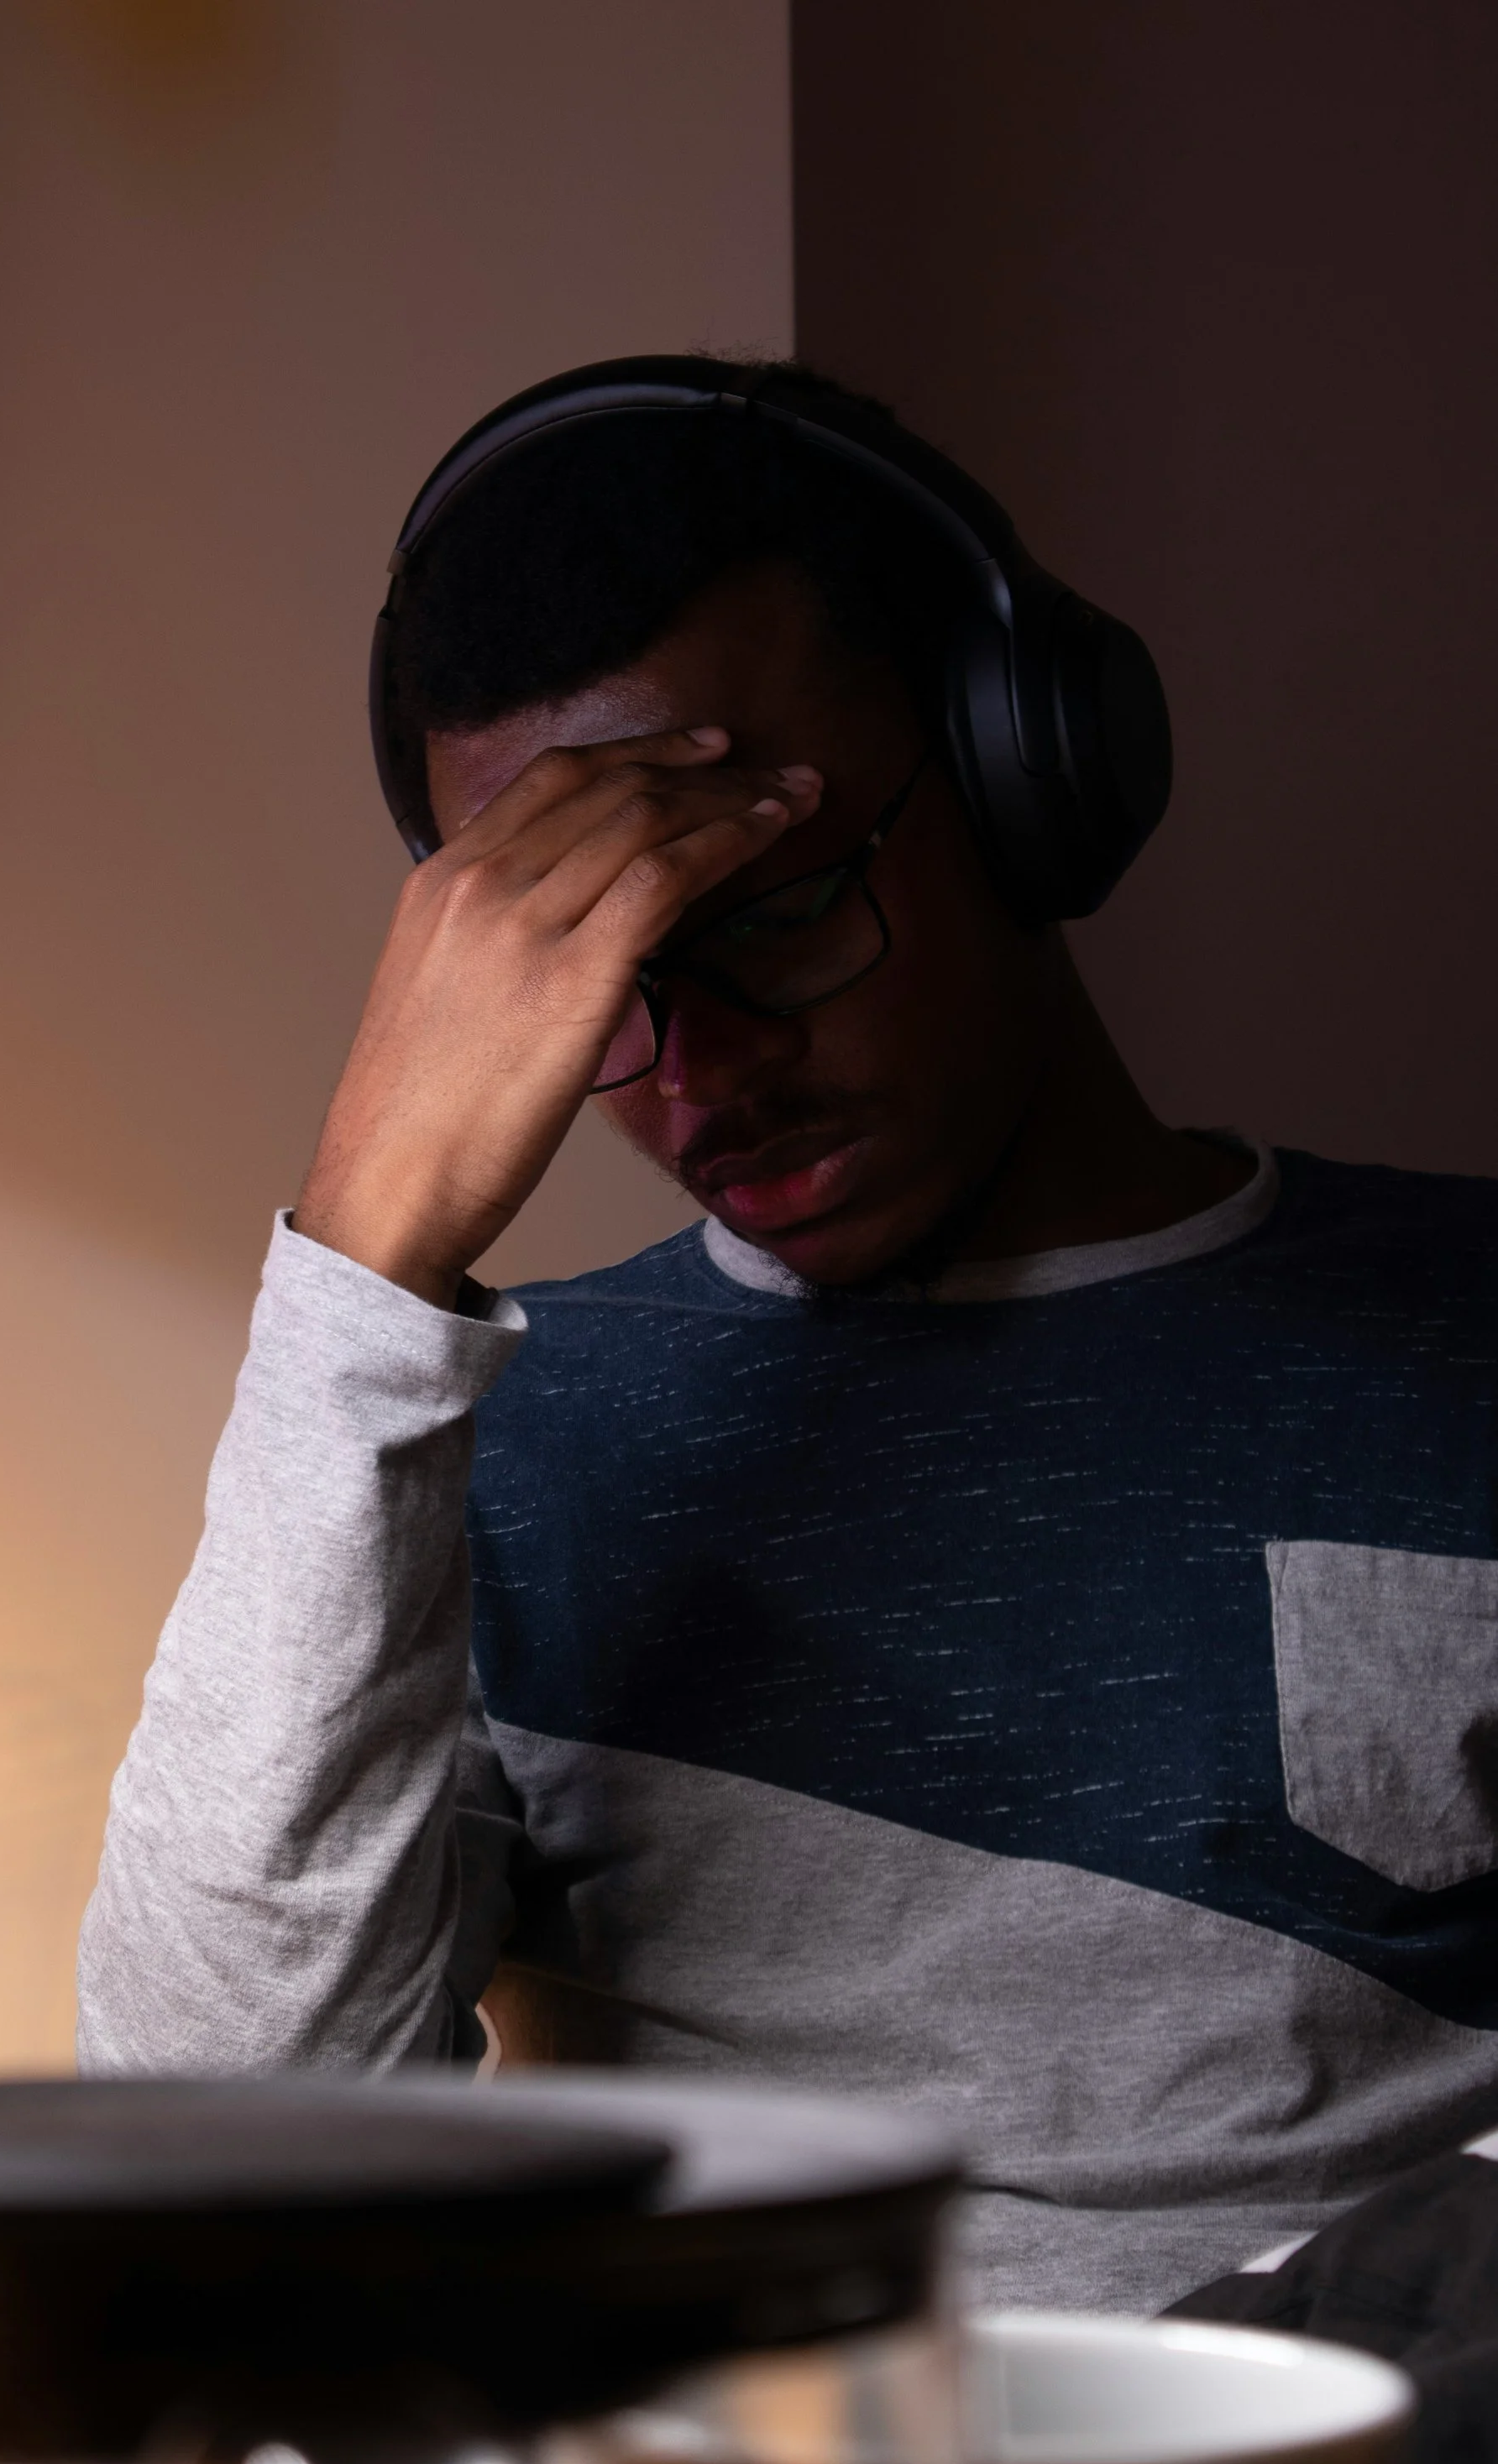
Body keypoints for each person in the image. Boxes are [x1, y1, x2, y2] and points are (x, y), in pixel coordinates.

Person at [77, 357, 1498, 2314]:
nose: (700, 1081)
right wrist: (368, 1256)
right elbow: (210, 2175)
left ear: (1024, 768)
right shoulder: (463, 1431)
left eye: (765, 907)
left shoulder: (1456, 1339)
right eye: (590, 989)